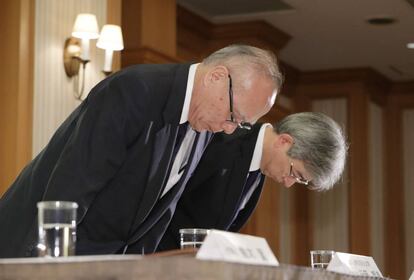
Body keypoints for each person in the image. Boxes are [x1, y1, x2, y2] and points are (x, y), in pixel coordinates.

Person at [0, 44, 282, 257]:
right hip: (35, 250)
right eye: (234, 115)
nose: (230, 129)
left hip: (103, 262)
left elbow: (159, 214)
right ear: (217, 77)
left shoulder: (204, 125)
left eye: (241, 125)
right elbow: (73, 185)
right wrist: (48, 263)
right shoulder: (134, 90)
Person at [158, 112, 347, 251]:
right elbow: (163, 204)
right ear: (284, 142)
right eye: (294, 173)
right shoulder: (222, 139)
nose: (288, 183)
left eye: (299, 181)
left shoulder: (260, 168)